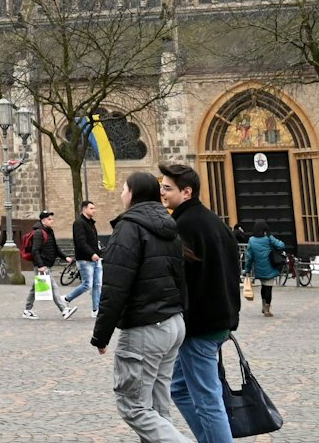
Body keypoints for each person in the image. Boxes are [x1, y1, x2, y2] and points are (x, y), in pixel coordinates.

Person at [90, 171, 188, 443]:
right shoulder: (169, 226)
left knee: (133, 407)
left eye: (124, 189)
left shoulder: (129, 227)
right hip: (172, 323)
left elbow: (115, 285)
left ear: (133, 193)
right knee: (157, 409)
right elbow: (181, 277)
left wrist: (101, 335)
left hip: (146, 327)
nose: (121, 194)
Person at [161, 162, 239, 443]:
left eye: (168, 188)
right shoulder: (214, 221)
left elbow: (182, 279)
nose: (162, 193)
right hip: (218, 321)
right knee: (179, 387)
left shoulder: (184, 225)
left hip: (200, 326)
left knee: (208, 399)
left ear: (187, 192)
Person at [20, 210, 76, 319]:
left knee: (35, 288)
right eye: (49, 219)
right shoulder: (39, 233)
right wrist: (40, 266)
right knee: (53, 287)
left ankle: (27, 310)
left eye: (52, 219)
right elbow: (35, 251)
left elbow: (55, 248)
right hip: (42, 266)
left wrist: (65, 257)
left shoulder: (49, 231)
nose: (52, 221)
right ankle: (64, 309)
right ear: (43, 220)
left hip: (46, 265)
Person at [67, 200, 104, 314]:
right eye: (91, 208)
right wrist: (91, 253)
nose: (94, 210)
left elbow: (93, 241)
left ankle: (96, 309)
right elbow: (80, 242)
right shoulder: (79, 223)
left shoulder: (91, 223)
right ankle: (67, 298)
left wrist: (98, 254)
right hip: (85, 259)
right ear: (84, 209)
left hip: (96, 259)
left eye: (94, 208)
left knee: (97, 285)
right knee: (87, 284)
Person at [244, 223, 286, 318]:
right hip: (270, 267)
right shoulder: (268, 238)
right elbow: (281, 245)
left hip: (259, 268)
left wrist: (247, 269)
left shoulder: (251, 240)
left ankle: (263, 305)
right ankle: (267, 308)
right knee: (268, 288)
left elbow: (249, 256)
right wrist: (271, 237)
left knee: (263, 286)